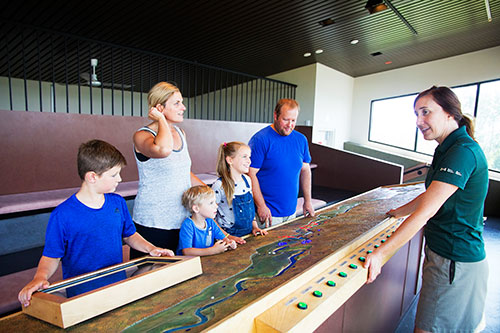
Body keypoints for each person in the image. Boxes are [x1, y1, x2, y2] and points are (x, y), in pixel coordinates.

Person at [364, 86, 489, 332]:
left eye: (425, 112)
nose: (419, 121)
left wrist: (381, 253)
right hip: (447, 258)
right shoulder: (448, 149)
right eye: (416, 114)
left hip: (454, 262)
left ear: (450, 114)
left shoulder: (462, 152)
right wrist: (396, 213)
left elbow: (426, 211)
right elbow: (430, 197)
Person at [18, 140, 174, 306]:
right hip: (83, 294)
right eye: (114, 175)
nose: (119, 179)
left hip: (117, 286)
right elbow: (51, 256)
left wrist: (152, 248)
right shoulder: (62, 215)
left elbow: (130, 235)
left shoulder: (117, 203)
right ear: (92, 176)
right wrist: (40, 277)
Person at [131, 82, 204, 259]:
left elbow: (183, 171)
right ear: (159, 107)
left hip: (182, 219)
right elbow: (163, 150)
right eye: (177, 103)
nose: (183, 107)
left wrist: (207, 191)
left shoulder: (181, 133)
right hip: (154, 222)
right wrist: (161, 120)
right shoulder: (142, 135)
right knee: (151, 277)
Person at [248, 98, 315, 228]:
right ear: (275, 115)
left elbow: (306, 170)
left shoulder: (301, 140)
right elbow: (251, 174)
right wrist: (261, 205)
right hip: (268, 214)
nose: (289, 124)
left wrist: (307, 201)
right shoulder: (260, 139)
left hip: (291, 211)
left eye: (293, 120)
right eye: (285, 119)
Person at [212, 142, 268, 237]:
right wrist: (227, 237)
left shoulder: (247, 180)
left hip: (248, 234)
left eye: (249, 157)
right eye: (244, 157)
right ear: (230, 160)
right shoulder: (219, 185)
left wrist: (255, 226)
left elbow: (250, 208)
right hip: (229, 235)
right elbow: (210, 218)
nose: (249, 161)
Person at [177, 185, 237, 256]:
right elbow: (187, 251)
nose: (216, 206)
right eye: (211, 203)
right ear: (196, 209)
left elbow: (224, 238)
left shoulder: (210, 222)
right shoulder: (188, 225)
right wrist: (213, 250)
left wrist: (229, 243)